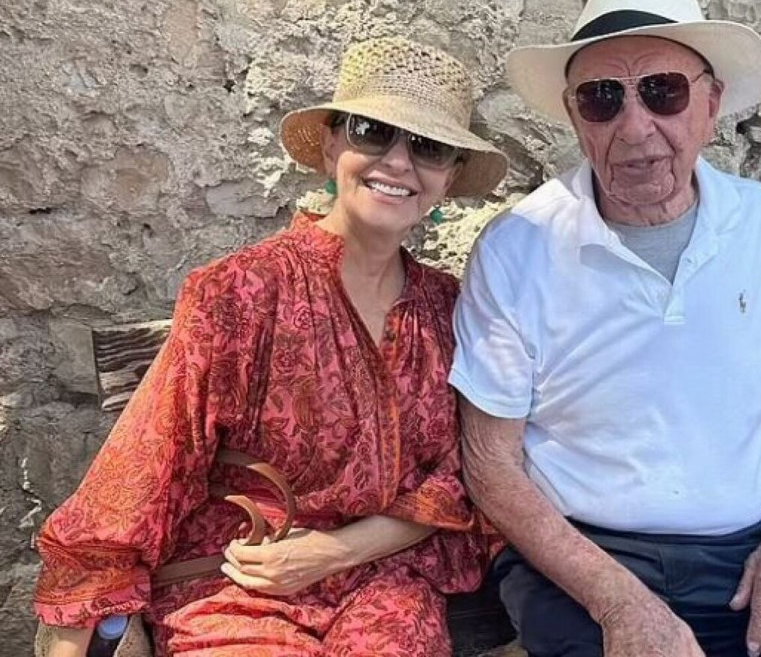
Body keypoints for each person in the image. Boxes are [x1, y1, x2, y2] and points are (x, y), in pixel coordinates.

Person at [450, 0, 761, 657]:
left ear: (711, 105)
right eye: (602, 98)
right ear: (574, 116)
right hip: (587, 559)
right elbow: (492, 464)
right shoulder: (519, 247)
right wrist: (619, 601)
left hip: (756, 545)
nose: (635, 128)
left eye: (663, 92)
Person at [34, 36, 508, 657]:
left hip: (385, 584)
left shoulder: (447, 310)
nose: (398, 162)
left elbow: (453, 480)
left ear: (449, 176)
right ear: (333, 146)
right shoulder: (240, 292)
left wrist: (336, 551)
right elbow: (149, 461)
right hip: (238, 580)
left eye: (428, 146)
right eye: (372, 133)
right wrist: (81, 615)